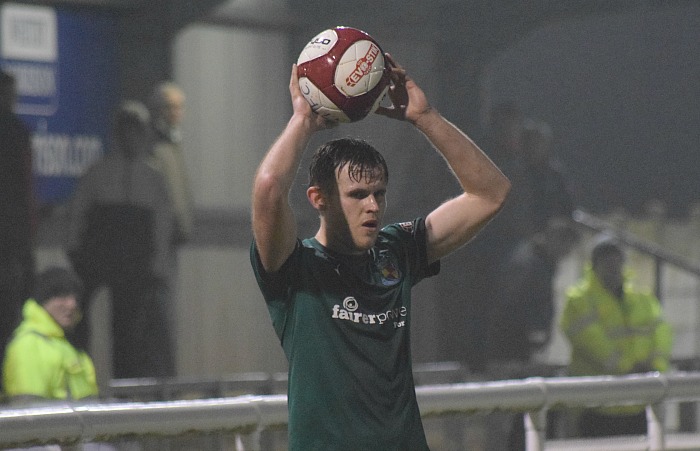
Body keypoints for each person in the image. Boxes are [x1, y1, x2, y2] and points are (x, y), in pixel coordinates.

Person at [249, 54, 511, 450]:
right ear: (318, 199)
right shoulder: (294, 266)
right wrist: (303, 120)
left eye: (379, 194)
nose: (373, 205)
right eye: (357, 195)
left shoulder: (397, 250)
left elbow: (491, 193)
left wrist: (426, 118)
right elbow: (269, 188)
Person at [66, 101, 175, 378]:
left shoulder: (153, 177)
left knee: (128, 327)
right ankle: (78, 373)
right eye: (126, 131)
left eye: (136, 131)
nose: (131, 138)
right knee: (79, 318)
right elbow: (78, 211)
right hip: (100, 252)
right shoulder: (99, 172)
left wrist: (159, 265)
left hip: (134, 260)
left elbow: (162, 225)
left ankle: (125, 386)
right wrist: (74, 248)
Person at [560, 235, 673, 437]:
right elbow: (593, 342)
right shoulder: (579, 300)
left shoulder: (641, 298)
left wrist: (656, 368)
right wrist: (630, 367)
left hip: (638, 404)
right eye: (606, 261)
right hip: (598, 406)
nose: (613, 266)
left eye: (616, 260)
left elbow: (661, 333)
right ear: (595, 265)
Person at [486, 216, 580, 451]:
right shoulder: (532, 265)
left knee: (519, 413)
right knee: (519, 413)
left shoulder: (531, 260)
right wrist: (536, 340)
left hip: (512, 350)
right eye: (565, 248)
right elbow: (522, 307)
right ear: (554, 240)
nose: (565, 255)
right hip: (515, 353)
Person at [2, 266, 98, 404]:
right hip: (56, 425)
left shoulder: (67, 343)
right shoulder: (29, 344)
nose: (72, 304)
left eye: (75, 298)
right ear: (43, 301)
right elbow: (29, 413)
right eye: (61, 296)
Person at [0, 69, 36, 379]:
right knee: (10, 313)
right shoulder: (17, 132)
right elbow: (26, 187)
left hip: (11, 237)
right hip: (10, 239)